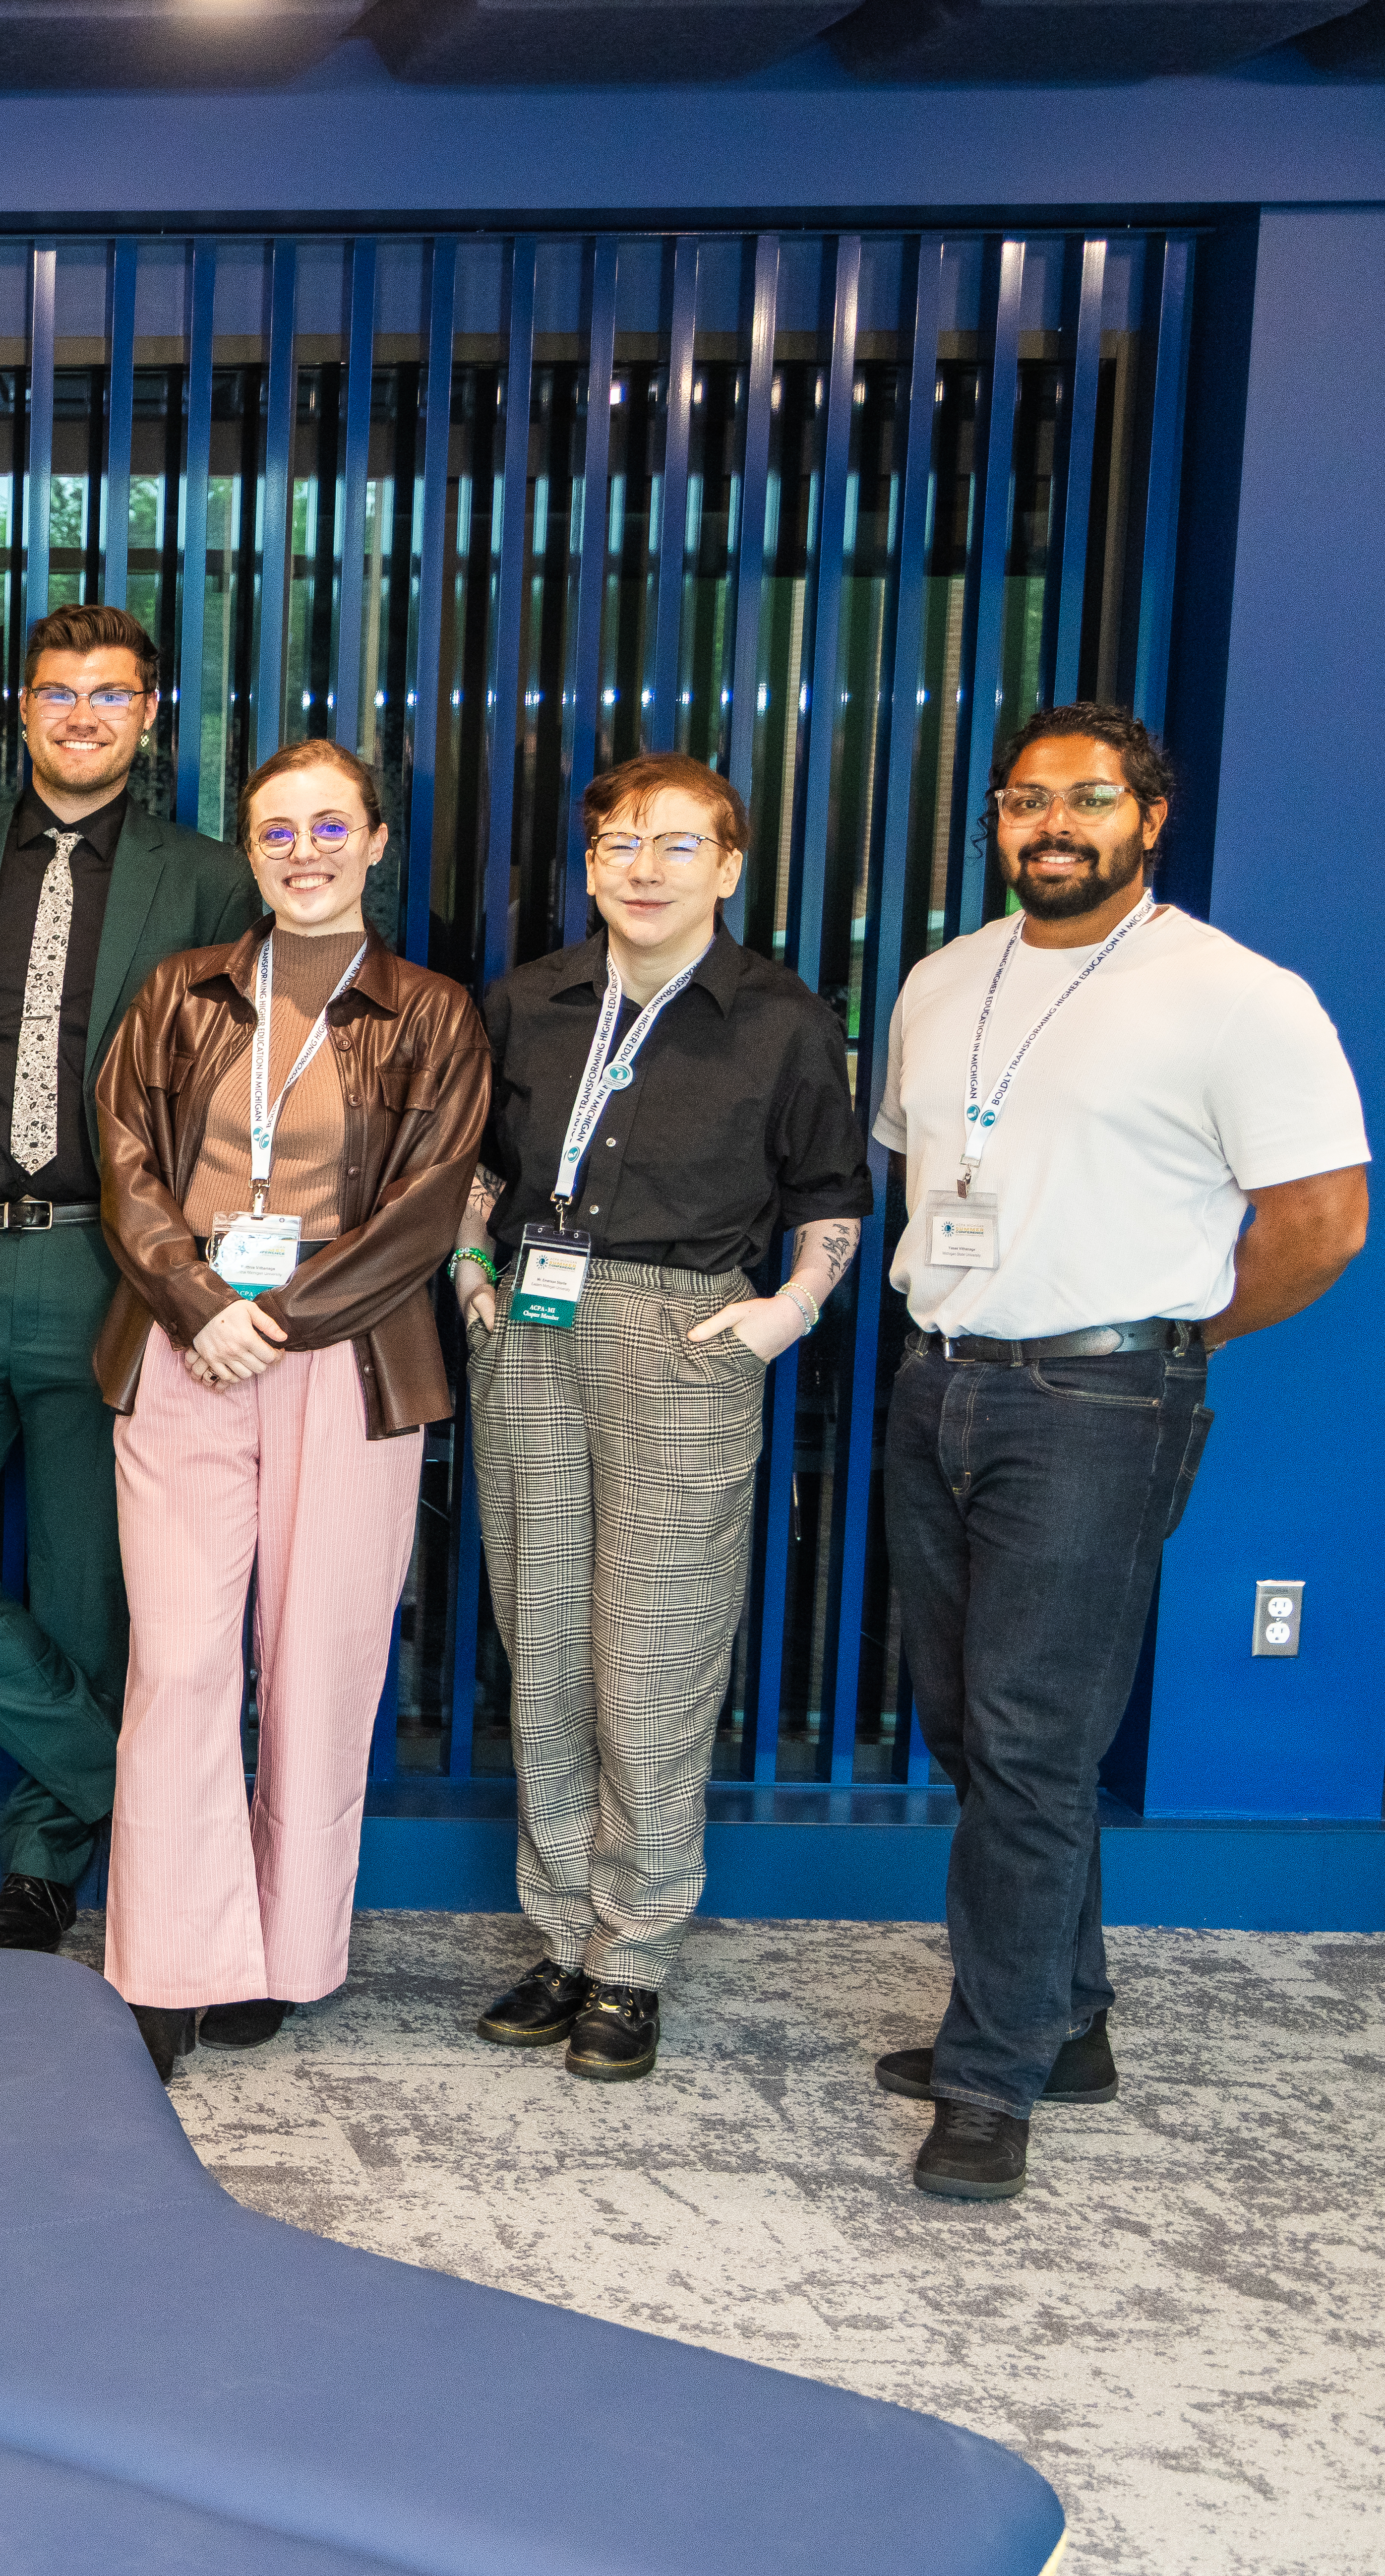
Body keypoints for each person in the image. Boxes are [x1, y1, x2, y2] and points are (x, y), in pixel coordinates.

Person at [867, 702, 1364, 2201]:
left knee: (1031, 1740)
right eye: (1026, 800)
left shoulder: (1235, 996)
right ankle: (1063, 2018)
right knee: (974, 1728)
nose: (1052, 825)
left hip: (1098, 1400)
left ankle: (990, 2076)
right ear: (997, 821)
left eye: (1088, 799)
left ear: (1151, 815)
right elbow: (936, 1160)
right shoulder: (945, 980)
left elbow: (1322, 1222)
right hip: (937, 1377)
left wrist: (1174, 1345)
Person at [0, 603, 262, 1955]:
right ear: (18, 711)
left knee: (91, 1591)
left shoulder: (205, 879)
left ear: (153, 717)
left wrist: (188, 1273)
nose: (82, 713)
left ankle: (43, 1870)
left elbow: (233, 1094)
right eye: (57, 691)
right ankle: (141, 1793)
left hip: (112, 1270)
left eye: (112, 693)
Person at [450, 755, 871, 2081]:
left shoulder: (781, 1019)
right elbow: (475, 1163)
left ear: (729, 868)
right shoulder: (523, 1004)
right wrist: (471, 1268)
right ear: (588, 866)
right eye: (619, 844)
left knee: (653, 1660)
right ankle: (566, 1934)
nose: (643, 867)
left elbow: (828, 1194)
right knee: (549, 1644)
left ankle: (634, 1957)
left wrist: (786, 1311)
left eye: (677, 846)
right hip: (530, 1325)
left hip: (686, 1337)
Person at [90, 740, 486, 2080]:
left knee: (319, 1667)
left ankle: (281, 1951)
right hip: (185, 1348)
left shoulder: (434, 1012)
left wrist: (284, 1316)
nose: (303, 850)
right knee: (183, 1661)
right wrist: (202, 1301)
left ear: (377, 841)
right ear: (249, 848)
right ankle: (170, 1957)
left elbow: (427, 1204)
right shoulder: (176, 994)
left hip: (353, 1364)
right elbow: (127, 1164)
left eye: (331, 826)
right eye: (277, 830)